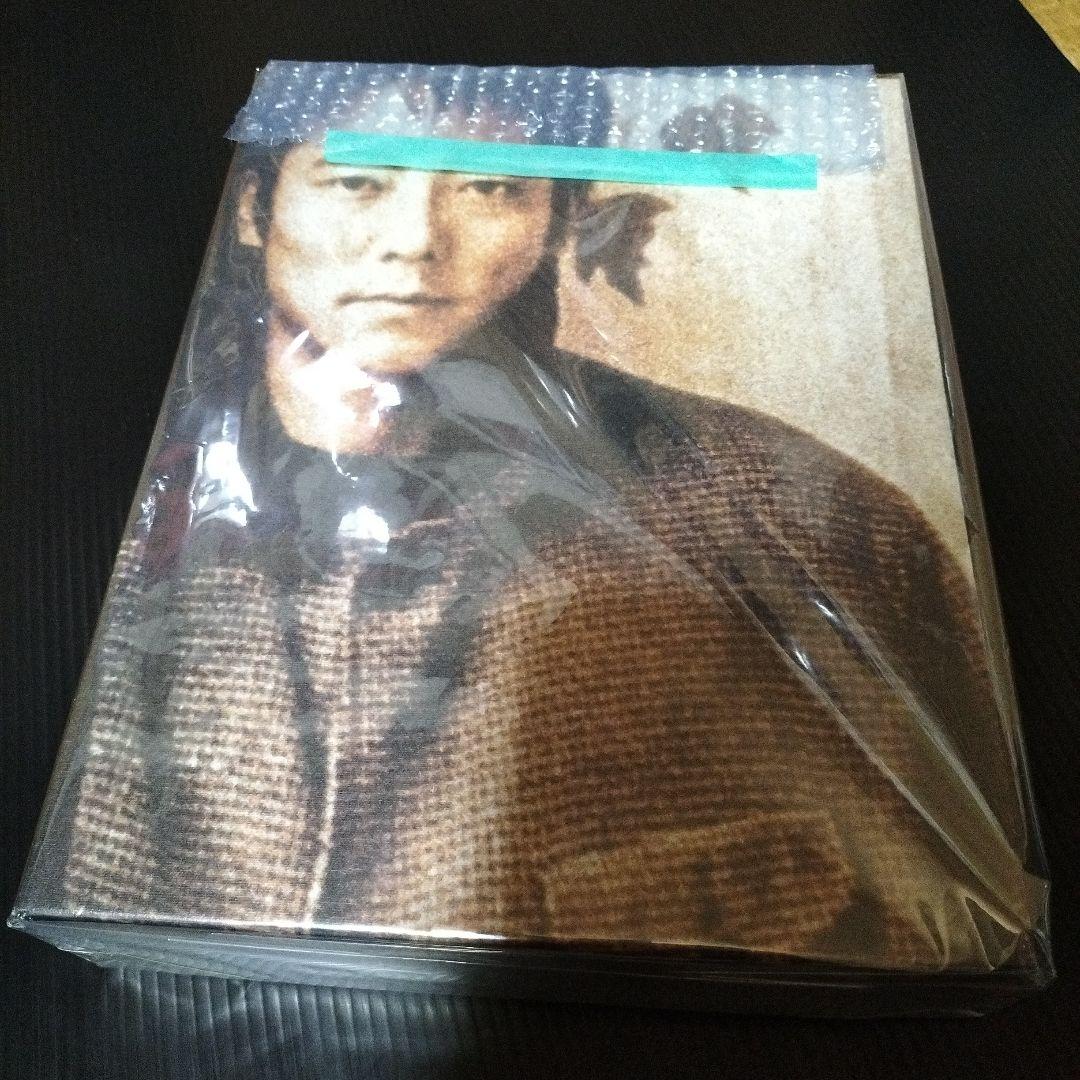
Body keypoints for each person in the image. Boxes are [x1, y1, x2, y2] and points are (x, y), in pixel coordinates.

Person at [57, 73, 1040, 974]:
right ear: (254, 208)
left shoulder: (804, 520)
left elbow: (970, 918)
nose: (416, 239)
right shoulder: (98, 514)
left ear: (559, 221)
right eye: (358, 182)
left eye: (491, 188)